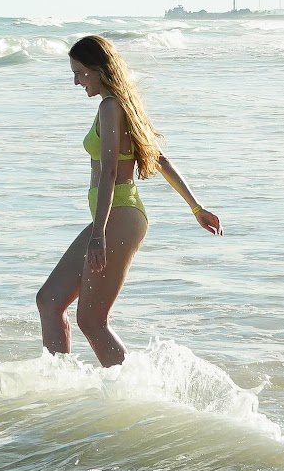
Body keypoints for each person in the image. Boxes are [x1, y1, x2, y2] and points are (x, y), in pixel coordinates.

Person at [36, 33, 222, 366]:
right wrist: (196, 207)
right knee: (49, 300)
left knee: (92, 321)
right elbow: (160, 159)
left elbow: (110, 172)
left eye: (80, 73)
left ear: (99, 69)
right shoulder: (120, 105)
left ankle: (137, 391)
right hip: (115, 215)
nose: (76, 82)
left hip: (118, 217)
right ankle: (60, 386)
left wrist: (98, 235)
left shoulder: (111, 107)